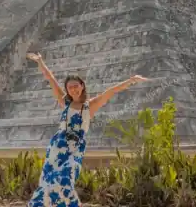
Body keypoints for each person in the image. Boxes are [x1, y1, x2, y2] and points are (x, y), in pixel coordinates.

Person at [25, 52, 148, 207]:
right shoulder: (65, 103)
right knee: (48, 182)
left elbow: (111, 91)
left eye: (76, 86)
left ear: (82, 86)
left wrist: (131, 80)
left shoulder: (90, 106)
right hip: (57, 147)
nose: (73, 90)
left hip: (75, 148)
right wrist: (40, 61)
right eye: (70, 87)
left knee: (65, 178)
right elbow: (51, 79)